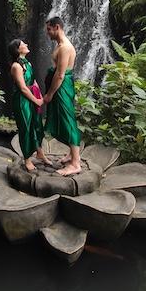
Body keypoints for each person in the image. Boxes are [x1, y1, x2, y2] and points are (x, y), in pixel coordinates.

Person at [43, 16, 82, 175]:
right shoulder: (61, 45)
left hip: (61, 88)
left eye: (49, 29)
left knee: (68, 120)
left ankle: (75, 163)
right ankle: (72, 154)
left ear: (57, 27)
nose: (47, 33)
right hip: (62, 87)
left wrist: (50, 94)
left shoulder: (65, 47)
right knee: (65, 119)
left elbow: (60, 75)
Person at [8, 38, 53, 171]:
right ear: (17, 50)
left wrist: (41, 97)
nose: (26, 44)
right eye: (23, 44)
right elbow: (22, 88)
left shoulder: (28, 63)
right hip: (22, 101)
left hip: (32, 97)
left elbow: (33, 82)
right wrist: (36, 100)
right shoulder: (16, 66)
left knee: (37, 125)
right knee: (26, 128)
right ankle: (27, 159)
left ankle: (40, 154)